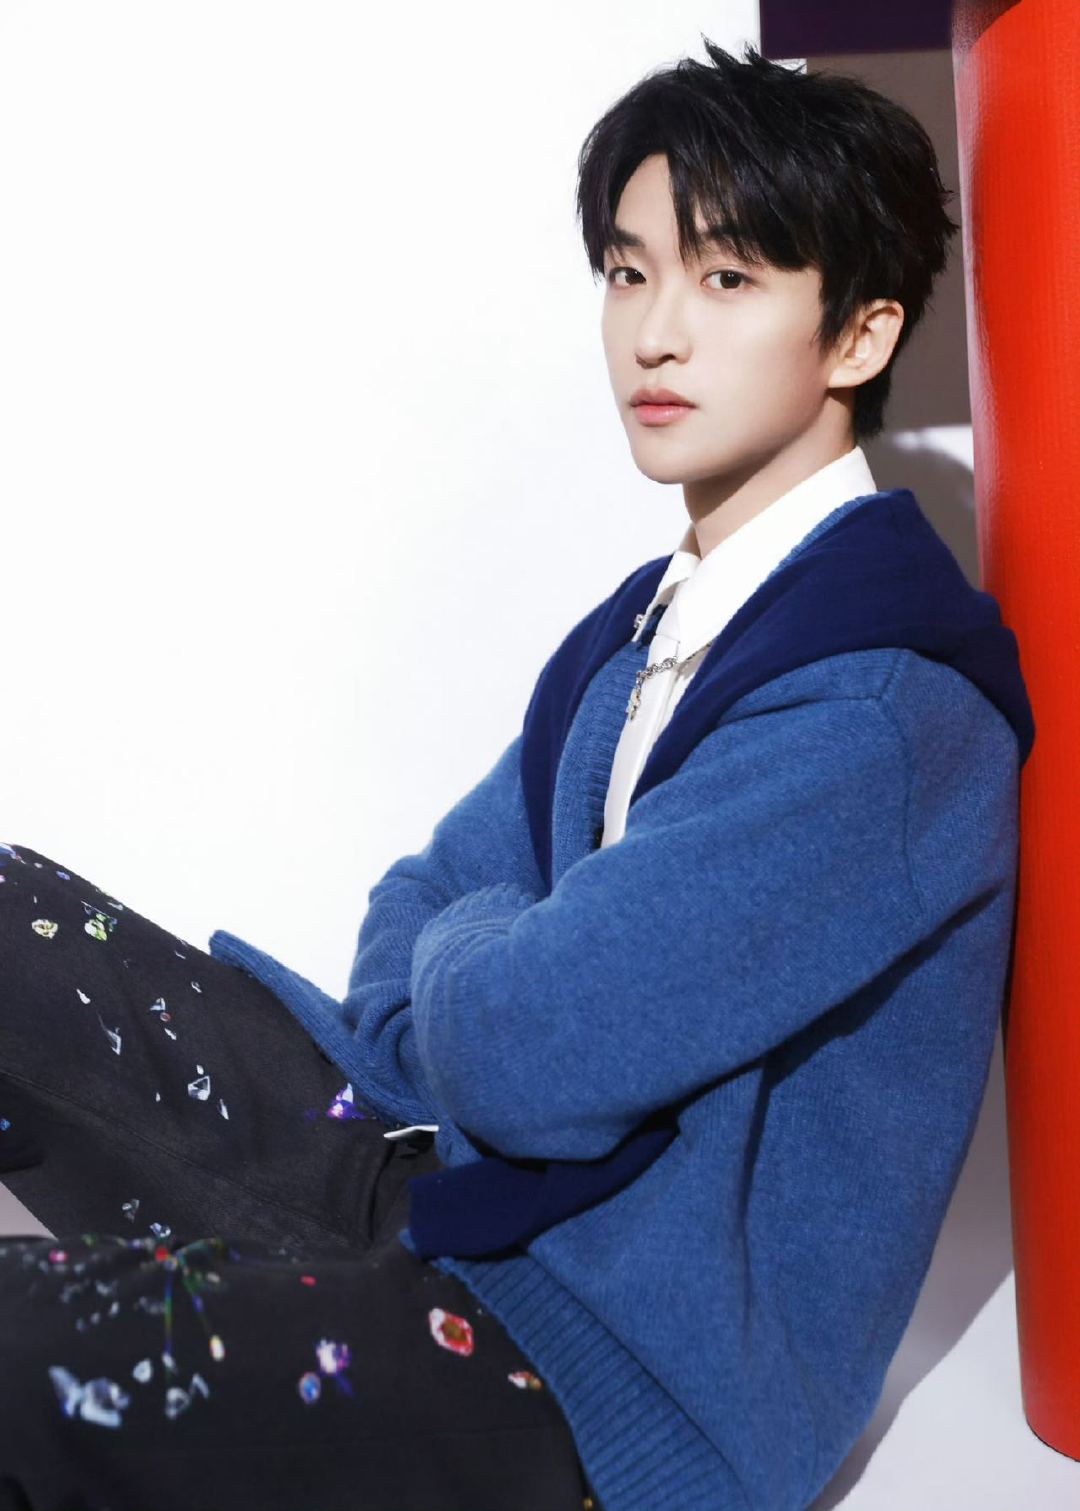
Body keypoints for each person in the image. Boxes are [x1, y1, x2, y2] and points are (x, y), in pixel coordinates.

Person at [0, 35, 1034, 1511]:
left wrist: (494, 978)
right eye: (629, 272)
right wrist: (501, 977)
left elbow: (527, 1047)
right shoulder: (654, 627)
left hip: (597, 1360)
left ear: (860, 337)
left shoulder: (879, 713)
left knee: (21, 1348)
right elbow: (415, 907)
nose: (655, 334)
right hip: (437, 1181)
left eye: (726, 279)